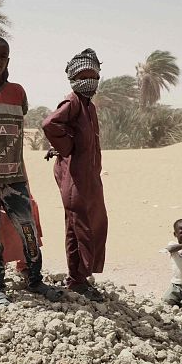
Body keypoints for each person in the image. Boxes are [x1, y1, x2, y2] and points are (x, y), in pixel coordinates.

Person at [0, 37, 62, 309]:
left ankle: (35, 280)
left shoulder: (18, 93)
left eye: (2, 56)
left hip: (15, 178)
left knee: (28, 229)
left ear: (8, 60)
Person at [42, 48, 108, 302]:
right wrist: (65, 146)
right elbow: (50, 124)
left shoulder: (88, 105)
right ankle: (77, 280)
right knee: (79, 227)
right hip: (75, 178)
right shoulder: (72, 103)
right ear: (73, 78)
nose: (90, 80)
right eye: (83, 76)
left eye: (93, 75)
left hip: (89, 177)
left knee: (88, 224)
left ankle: (79, 277)